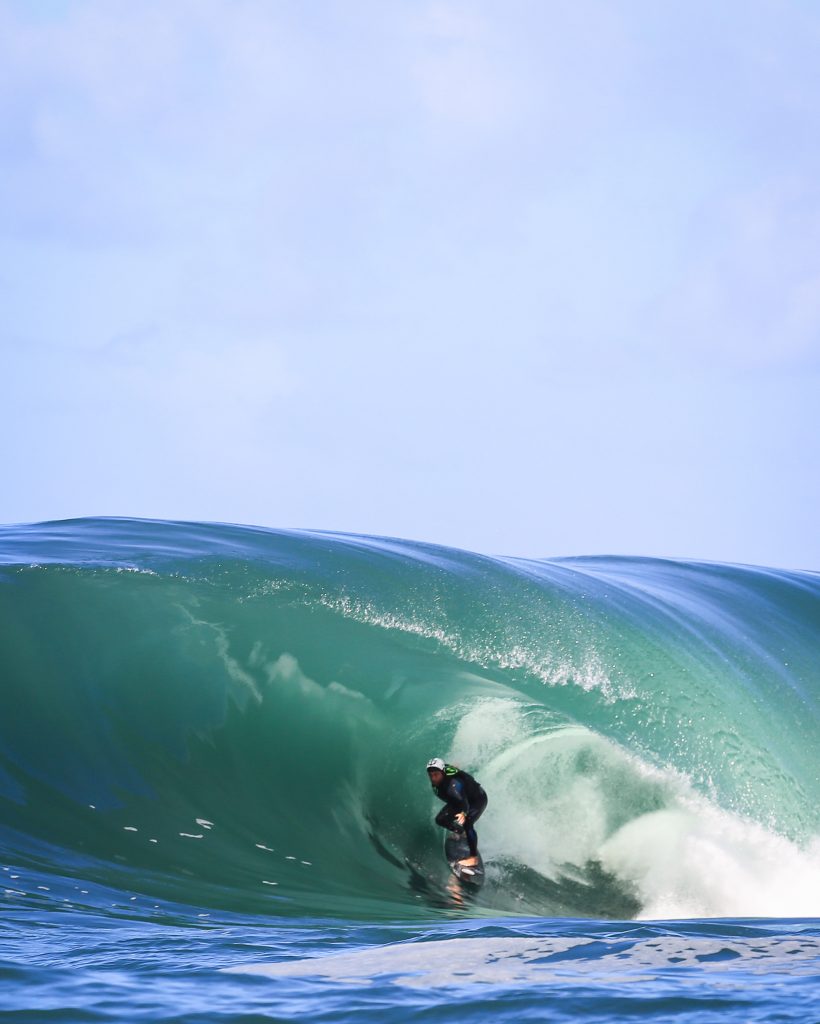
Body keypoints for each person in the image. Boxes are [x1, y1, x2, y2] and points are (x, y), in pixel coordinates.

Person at [426, 757, 488, 870]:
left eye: (436, 774)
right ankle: (462, 833)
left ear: (442, 772)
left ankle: (473, 858)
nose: (433, 778)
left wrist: (463, 814)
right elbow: (453, 769)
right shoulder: (444, 770)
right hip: (458, 800)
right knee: (440, 820)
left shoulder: (452, 787)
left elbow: (464, 803)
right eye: (430, 775)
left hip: (476, 800)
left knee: (468, 823)